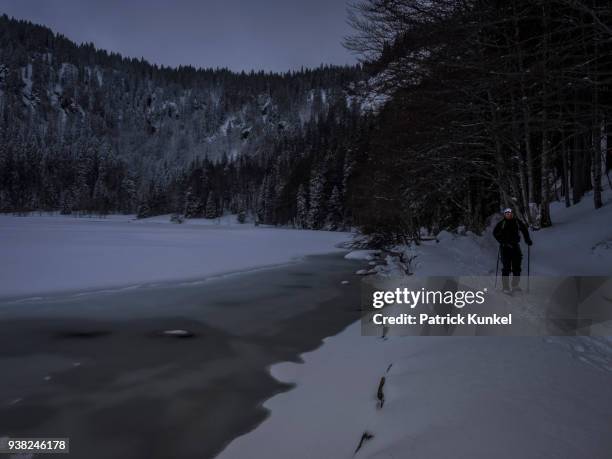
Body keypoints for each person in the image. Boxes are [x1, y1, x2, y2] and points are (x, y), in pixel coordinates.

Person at [493, 208, 532, 292]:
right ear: (504, 215)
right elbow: (495, 233)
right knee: (506, 267)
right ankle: (505, 287)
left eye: (509, 213)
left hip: (515, 247)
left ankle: (515, 285)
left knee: (517, 267)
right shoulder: (502, 223)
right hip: (505, 247)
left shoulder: (517, 222)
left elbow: (524, 230)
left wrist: (527, 240)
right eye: (506, 213)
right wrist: (500, 240)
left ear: (512, 214)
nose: (508, 215)